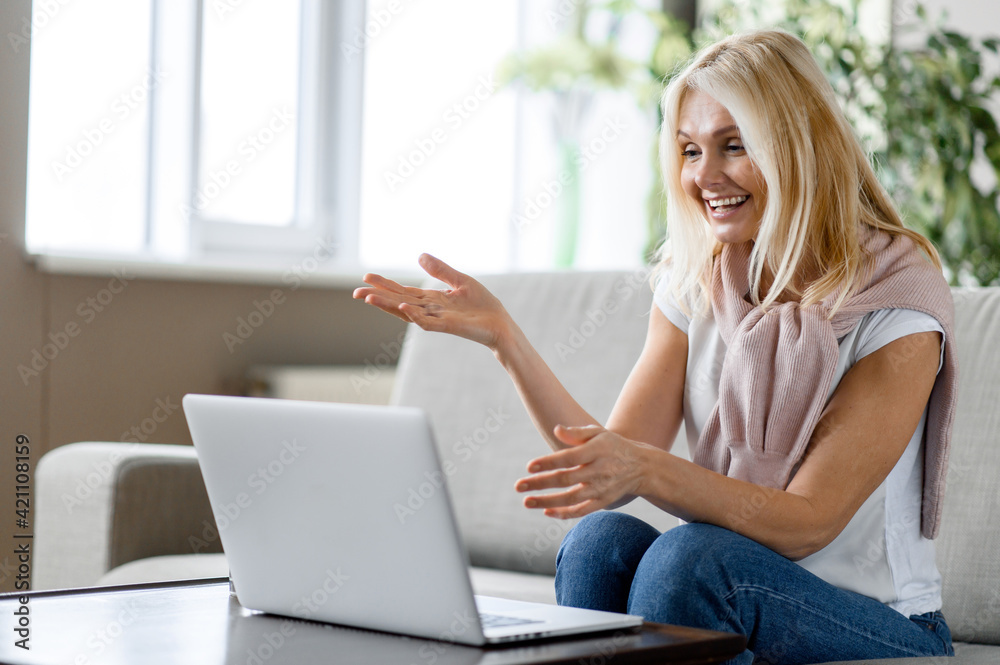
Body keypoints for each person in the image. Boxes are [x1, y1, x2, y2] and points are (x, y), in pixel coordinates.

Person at [354, 29, 958, 664]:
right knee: (600, 541)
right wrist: (504, 338)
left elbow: (809, 521)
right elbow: (609, 473)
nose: (705, 176)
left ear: (798, 146)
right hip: (736, 589)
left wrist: (650, 467)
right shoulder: (696, 279)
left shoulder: (897, 295)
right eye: (690, 151)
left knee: (690, 559)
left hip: (876, 624)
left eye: (735, 146)